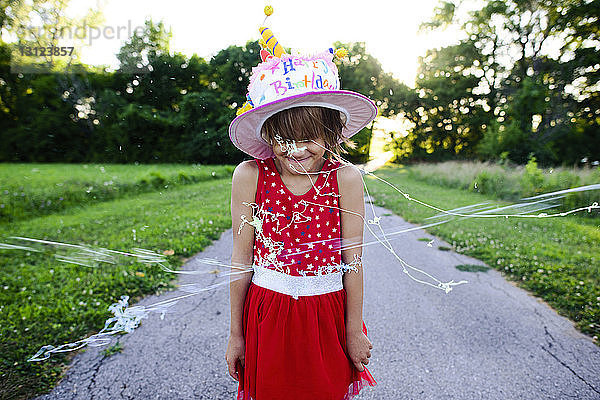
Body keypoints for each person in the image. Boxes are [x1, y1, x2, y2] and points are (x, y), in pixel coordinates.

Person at [225, 7, 378, 399]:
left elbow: (353, 262)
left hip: (325, 314)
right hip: (268, 313)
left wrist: (353, 328)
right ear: (268, 133)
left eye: (309, 136)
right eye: (284, 138)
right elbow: (241, 261)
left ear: (331, 132)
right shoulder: (251, 176)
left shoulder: (344, 179)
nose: (296, 150)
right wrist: (235, 335)